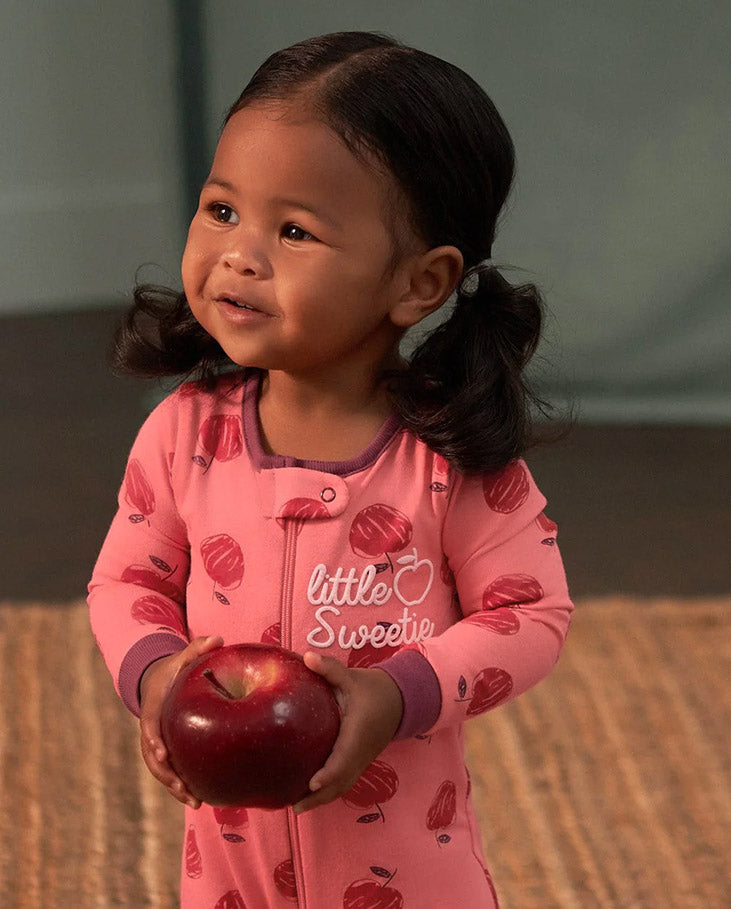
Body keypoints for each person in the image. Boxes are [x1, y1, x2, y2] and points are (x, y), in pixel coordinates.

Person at [89, 31, 573, 908]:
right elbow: (125, 583)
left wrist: (398, 694)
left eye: (296, 230)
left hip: (413, 880)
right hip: (229, 875)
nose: (239, 254)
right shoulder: (181, 436)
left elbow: (532, 612)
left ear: (419, 284)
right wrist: (157, 674)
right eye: (222, 210)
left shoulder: (450, 459)